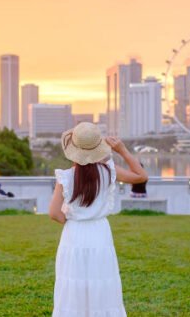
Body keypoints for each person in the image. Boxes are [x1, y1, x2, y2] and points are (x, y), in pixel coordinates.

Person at [49, 122, 148, 317]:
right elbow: (141, 176)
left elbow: (54, 213)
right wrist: (122, 150)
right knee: (101, 280)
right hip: (99, 232)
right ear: (98, 148)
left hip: (74, 234)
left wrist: (71, 220)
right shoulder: (109, 171)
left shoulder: (66, 177)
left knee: (73, 282)